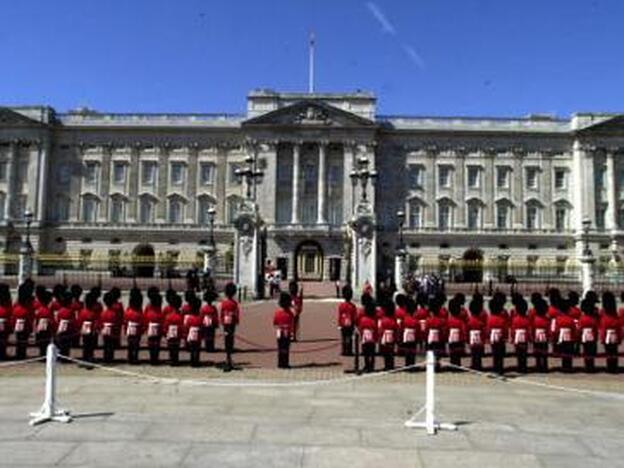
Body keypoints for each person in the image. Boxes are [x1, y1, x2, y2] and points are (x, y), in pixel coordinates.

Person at [220, 282, 240, 371]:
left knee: (227, 340)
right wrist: (236, 321)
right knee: (230, 340)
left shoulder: (224, 303)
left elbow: (222, 313)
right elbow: (236, 314)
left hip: (225, 322)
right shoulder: (234, 303)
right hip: (231, 323)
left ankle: (228, 358)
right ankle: (229, 358)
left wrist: (222, 321)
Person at [600, 291, 621, 373]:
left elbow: (603, 328)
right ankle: (614, 367)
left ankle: (610, 368)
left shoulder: (603, 313)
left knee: (608, 352)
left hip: (607, 332)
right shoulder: (615, 314)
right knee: (614, 351)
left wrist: (602, 338)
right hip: (614, 332)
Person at [13, 283, 35, 360]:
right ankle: (21, 354)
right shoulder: (28, 300)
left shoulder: (22, 300)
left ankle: (20, 353)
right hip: (24, 315)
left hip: (21, 314)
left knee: (20, 338)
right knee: (22, 338)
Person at [554, 297, 576, 373]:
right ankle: (569, 366)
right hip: (569, 337)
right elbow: (574, 330)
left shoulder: (558, 318)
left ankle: (564, 367)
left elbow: (557, 330)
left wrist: (556, 338)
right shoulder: (571, 319)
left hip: (561, 337)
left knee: (563, 353)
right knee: (569, 353)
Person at [273, 292, 295, 368]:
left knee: (280, 348)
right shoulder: (291, 314)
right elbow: (292, 324)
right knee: (286, 348)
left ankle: (280, 363)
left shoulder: (277, 313)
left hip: (279, 332)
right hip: (287, 332)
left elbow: (275, 323)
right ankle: (285, 363)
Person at [487, 297, 508, 374]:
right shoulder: (502, 319)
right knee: (500, 355)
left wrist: (488, 337)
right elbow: (505, 330)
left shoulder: (490, 318)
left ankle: (495, 368)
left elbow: (488, 329)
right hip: (500, 339)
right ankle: (500, 369)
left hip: (493, 338)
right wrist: (505, 337)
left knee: (495, 354)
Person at [357, 294, 378, 373]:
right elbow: (376, 330)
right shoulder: (373, 320)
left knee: (365, 352)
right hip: (372, 338)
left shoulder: (363, 319)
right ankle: (372, 365)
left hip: (365, 337)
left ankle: (367, 365)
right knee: (372, 352)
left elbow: (360, 328)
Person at [510, 296, 530, 373]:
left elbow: (513, 330)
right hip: (524, 338)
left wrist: (512, 338)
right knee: (524, 354)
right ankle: (524, 367)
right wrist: (529, 338)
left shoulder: (515, 319)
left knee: (519, 354)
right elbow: (528, 330)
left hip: (517, 337)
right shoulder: (527, 319)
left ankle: (520, 367)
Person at [77, 292, 99, 362]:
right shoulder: (92, 313)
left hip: (85, 331)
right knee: (89, 346)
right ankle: (89, 358)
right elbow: (95, 322)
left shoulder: (82, 312)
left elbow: (79, 321)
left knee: (86, 345)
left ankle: (86, 358)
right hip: (90, 331)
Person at [578, 297, 599, 372]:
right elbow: (595, 329)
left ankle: (587, 366)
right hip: (592, 336)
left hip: (585, 336)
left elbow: (579, 329)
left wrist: (579, 338)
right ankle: (591, 366)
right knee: (591, 352)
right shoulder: (593, 319)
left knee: (586, 351)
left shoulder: (582, 318)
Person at [124, 288, 144, 364]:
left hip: (130, 329)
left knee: (130, 345)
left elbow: (125, 321)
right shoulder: (138, 313)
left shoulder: (128, 311)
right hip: (137, 330)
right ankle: (134, 358)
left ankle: (130, 357)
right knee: (136, 345)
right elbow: (141, 322)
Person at [144, 289, 164, 365]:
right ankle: (155, 358)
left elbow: (145, 317)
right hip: (157, 325)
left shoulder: (149, 308)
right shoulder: (158, 310)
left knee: (151, 343)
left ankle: (152, 358)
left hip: (151, 326)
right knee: (156, 343)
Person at [378, 299, 398, 370]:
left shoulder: (384, 320)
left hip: (385, 337)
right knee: (391, 352)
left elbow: (380, 331)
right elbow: (396, 329)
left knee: (386, 353)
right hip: (391, 337)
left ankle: (387, 365)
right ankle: (391, 365)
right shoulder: (393, 320)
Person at [531, 297, 550, 373]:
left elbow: (532, 329)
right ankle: (545, 366)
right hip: (544, 337)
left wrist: (532, 337)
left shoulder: (535, 319)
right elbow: (548, 330)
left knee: (538, 353)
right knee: (544, 353)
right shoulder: (546, 319)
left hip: (537, 337)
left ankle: (538, 366)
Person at [100, 292, 120, 363]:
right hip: (112, 331)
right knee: (110, 347)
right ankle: (110, 359)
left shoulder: (103, 313)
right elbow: (116, 323)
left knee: (106, 345)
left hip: (105, 330)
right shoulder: (114, 313)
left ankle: (106, 358)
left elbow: (101, 322)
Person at [467, 295, 486, 370]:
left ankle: (474, 365)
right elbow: (484, 331)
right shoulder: (480, 322)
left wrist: (467, 339)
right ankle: (478, 365)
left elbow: (467, 330)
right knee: (478, 353)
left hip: (472, 337)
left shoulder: (469, 321)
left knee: (473, 353)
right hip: (479, 338)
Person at [337, 285, 357, 356]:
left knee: (344, 337)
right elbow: (354, 316)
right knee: (350, 337)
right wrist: (355, 324)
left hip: (343, 322)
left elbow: (340, 315)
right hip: (350, 323)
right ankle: (349, 350)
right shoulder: (353, 306)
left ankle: (344, 350)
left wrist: (339, 324)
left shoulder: (341, 305)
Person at [163, 294, 183, 365]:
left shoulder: (169, 316)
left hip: (171, 331)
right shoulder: (180, 315)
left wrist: (165, 333)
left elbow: (165, 325)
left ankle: (172, 358)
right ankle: (175, 359)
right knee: (176, 346)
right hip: (177, 332)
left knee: (171, 346)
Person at [34, 289, 55, 357]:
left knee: (42, 343)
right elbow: (51, 321)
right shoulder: (47, 311)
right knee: (45, 343)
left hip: (40, 329)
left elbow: (36, 320)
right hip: (46, 330)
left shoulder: (40, 310)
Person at [446, 298, 466, 368]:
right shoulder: (460, 322)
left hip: (451, 339)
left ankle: (452, 364)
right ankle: (457, 364)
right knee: (457, 354)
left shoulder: (448, 321)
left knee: (452, 352)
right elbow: (463, 331)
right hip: (459, 339)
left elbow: (446, 330)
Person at [56, 291, 76, 358]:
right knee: (66, 345)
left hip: (61, 330)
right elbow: (73, 321)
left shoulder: (60, 310)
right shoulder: (70, 311)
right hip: (68, 330)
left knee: (61, 344)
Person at [401, 297, 419, 367]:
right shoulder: (415, 320)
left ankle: (407, 364)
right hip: (413, 336)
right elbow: (417, 330)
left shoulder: (405, 319)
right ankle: (412, 364)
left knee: (407, 350)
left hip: (406, 335)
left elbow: (402, 329)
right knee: (412, 350)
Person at [185, 297, 203, 367]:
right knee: (197, 349)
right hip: (198, 334)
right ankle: (196, 361)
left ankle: (192, 361)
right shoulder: (200, 317)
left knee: (192, 349)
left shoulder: (190, 318)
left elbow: (187, 327)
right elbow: (202, 326)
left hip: (191, 334)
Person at [0, 284, 13, 360]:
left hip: (4, 319)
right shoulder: (7, 299)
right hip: (4, 320)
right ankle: (2, 353)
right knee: (4, 339)